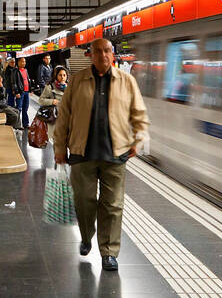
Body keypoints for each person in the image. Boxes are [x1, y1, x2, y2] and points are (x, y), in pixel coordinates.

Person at [53, 38, 150, 271]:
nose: (103, 55)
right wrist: (59, 148)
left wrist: (139, 139)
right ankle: (87, 236)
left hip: (115, 153)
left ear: (113, 54)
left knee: (113, 205)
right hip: (81, 152)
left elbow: (139, 114)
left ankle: (108, 251)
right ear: (90, 55)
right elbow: (64, 116)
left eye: (107, 51)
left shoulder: (127, 81)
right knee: (84, 201)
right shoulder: (77, 81)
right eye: (98, 51)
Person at [16, 57, 32, 128]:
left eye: (24, 61)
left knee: (25, 108)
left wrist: (30, 90)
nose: (24, 63)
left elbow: (28, 80)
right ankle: (17, 124)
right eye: (22, 61)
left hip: (26, 91)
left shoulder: (26, 70)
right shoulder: (16, 71)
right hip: (20, 92)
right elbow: (14, 82)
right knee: (19, 108)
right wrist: (16, 92)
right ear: (18, 62)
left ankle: (26, 124)